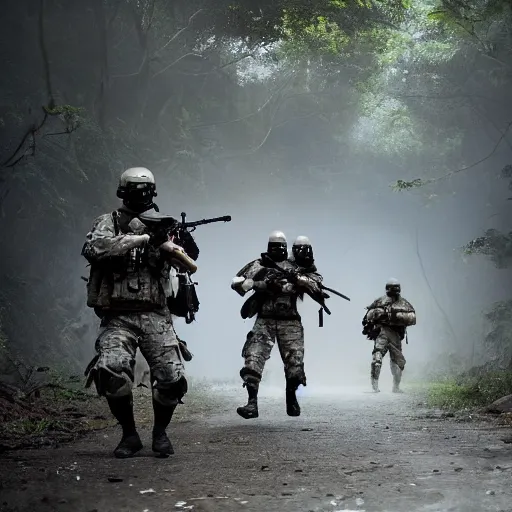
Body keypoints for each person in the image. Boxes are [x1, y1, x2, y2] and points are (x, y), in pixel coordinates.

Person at [82, 167, 196, 459]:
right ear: (123, 191)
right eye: (134, 188)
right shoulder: (108, 222)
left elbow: (188, 263)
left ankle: (160, 433)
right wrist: (140, 238)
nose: (141, 194)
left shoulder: (165, 225)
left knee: (171, 379)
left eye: (145, 189)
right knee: (111, 371)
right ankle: (129, 435)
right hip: (117, 315)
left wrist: (173, 242)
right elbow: (95, 248)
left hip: (156, 314)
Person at [231, 231, 323, 419]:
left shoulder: (295, 266)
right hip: (264, 319)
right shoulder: (259, 265)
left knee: (294, 364)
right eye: (273, 246)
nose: (277, 249)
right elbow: (237, 283)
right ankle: (252, 403)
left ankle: (291, 396)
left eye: (280, 246)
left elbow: (316, 282)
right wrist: (257, 284)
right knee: (253, 358)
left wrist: (297, 281)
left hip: (289, 321)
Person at [362, 278, 416, 393]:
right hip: (383, 333)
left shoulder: (402, 303)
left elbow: (412, 318)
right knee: (378, 359)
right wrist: (376, 317)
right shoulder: (381, 302)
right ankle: (377, 386)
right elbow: (368, 317)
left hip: (394, 335)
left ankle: (394, 387)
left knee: (397, 363)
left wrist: (390, 315)